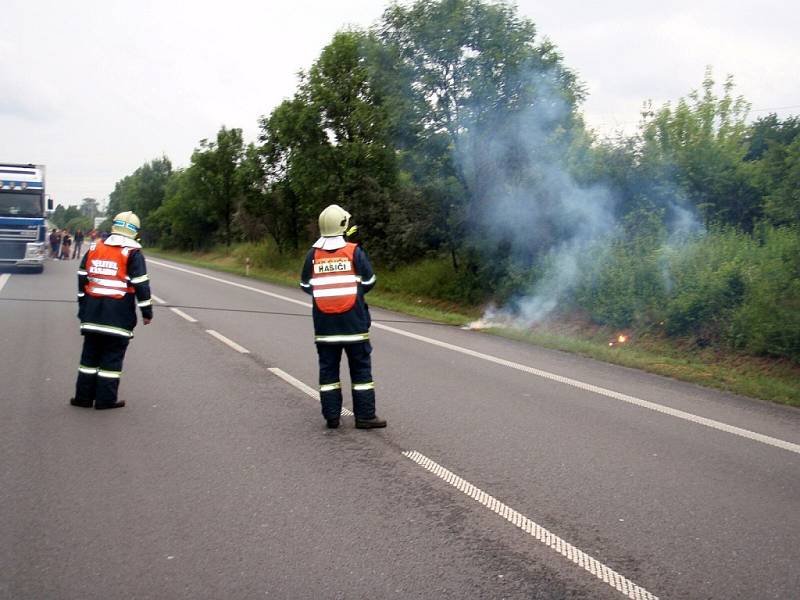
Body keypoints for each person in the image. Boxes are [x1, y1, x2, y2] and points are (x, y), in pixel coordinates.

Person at [300, 204, 386, 429]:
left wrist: (326, 295)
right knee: (360, 371)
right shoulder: (354, 252)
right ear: (343, 225)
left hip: (325, 328)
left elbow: (305, 285)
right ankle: (365, 417)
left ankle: (332, 417)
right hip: (354, 325)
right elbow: (369, 282)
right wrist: (353, 293)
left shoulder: (313, 254)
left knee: (328, 370)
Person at [70, 211, 153, 410]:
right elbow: (141, 284)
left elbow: (82, 277)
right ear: (135, 231)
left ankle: (83, 398)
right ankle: (105, 400)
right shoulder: (132, 252)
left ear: (114, 226)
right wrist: (146, 312)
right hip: (117, 315)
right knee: (111, 358)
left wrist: (83, 304)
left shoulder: (95, 247)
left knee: (89, 357)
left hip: (91, 312)